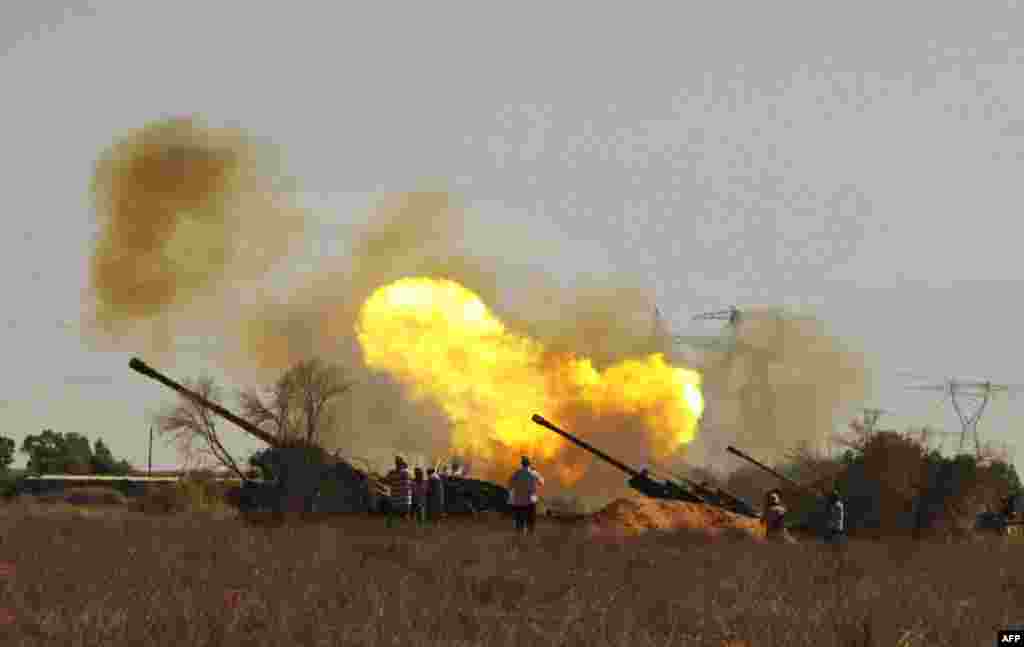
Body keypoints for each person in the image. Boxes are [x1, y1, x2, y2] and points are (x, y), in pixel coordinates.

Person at [508, 456, 544, 535]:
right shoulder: (533, 472)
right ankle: (530, 535)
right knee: (530, 520)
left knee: (519, 520)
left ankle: (519, 535)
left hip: (519, 500)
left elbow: (510, 483)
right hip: (531, 500)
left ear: (522, 464)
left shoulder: (517, 473)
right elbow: (542, 482)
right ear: (529, 464)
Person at [385, 456, 412, 528]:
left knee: (392, 512)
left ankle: (390, 525)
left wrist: (378, 478)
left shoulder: (394, 473)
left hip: (398, 497)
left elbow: (387, 481)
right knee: (403, 514)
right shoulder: (406, 473)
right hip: (403, 498)